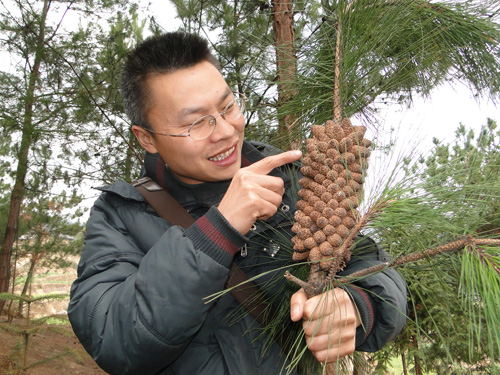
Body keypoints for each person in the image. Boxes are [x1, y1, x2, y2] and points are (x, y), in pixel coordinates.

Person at [68, 32, 407, 375]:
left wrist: (358, 306)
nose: (226, 132)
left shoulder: (289, 176)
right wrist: (218, 231)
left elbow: (371, 264)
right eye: (196, 122)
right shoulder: (121, 215)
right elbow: (111, 339)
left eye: (228, 106)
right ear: (146, 137)